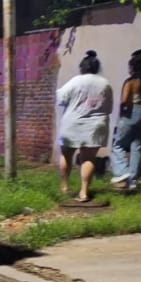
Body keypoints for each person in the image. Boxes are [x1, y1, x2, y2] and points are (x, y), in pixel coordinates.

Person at [56, 51, 112, 202]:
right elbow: (109, 108)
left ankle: (64, 186)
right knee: (88, 158)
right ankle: (84, 192)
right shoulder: (105, 84)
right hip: (95, 126)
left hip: (72, 123)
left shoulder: (75, 81)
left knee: (66, 155)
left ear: (82, 67)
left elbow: (60, 98)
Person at [111, 51, 141, 191]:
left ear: (132, 67)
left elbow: (124, 100)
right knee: (137, 148)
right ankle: (133, 182)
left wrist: (122, 114)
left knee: (118, 145)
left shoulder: (130, 82)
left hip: (131, 114)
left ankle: (122, 171)